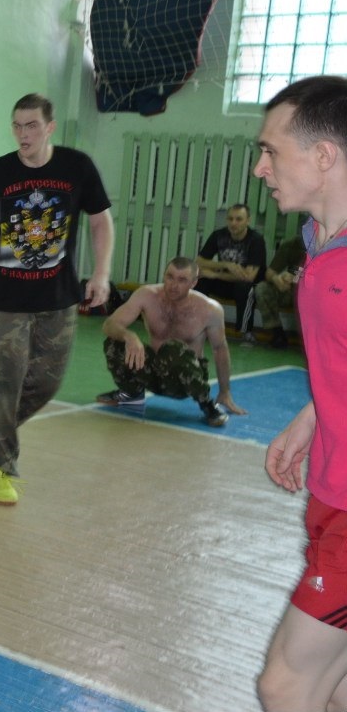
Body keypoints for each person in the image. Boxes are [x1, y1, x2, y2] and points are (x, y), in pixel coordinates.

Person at [0, 93, 114, 505]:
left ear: (50, 127)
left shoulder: (76, 166)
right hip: (9, 300)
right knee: (6, 382)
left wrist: (101, 272)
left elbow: (101, 221)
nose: (23, 134)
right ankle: (1, 468)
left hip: (60, 297)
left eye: (32, 126)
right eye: (17, 126)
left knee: (46, 382)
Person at [254, 75, 347, 712]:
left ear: (323, 156)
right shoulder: (319, 243)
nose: (260, 168)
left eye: (271, 151)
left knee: (286, 685)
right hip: (329, 491)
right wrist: (313, 415)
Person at [94, 256, 246, 427]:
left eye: (182, 280)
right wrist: (129, 336)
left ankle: (208, 405)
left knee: (173, 348)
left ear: (194, 283)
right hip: (154, 372)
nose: (173, 285)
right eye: (170, 277)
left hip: (186, 381)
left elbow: (219, 349)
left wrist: (225, 392)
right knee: (115, 343)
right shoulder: (147, 296)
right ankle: (131, 395)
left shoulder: (209, 309)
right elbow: (109, 324)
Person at [195, 203, 267, 344]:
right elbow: (199, 262)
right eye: (230, 219)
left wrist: (215, 274)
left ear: (248, 221)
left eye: (239, 219)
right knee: (199, 281)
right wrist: (225, 264)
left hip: (248, 285)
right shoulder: (218, 235)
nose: (233, 223)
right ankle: (199, 326)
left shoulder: (256, 240)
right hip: (226, 280)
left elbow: (248, 277)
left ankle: (246, 332)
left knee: (245, 287)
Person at [254, 232, 305, 349]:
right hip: (292, 292)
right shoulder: (292, 245)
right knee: (262, 288)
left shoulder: (330, 248)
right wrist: (277, 279)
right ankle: (277, 333)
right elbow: (270, 272)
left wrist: (295, 277)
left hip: (315, 295)